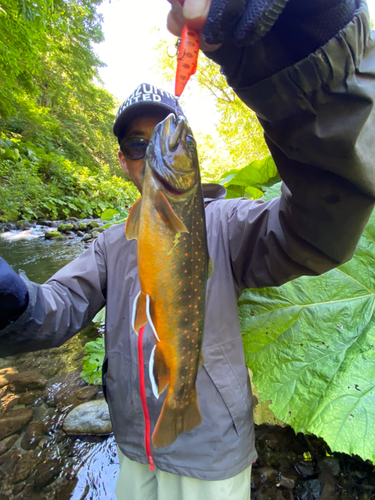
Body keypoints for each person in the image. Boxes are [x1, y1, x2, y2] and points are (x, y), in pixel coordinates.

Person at [1, 0, 375, 498]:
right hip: (135, 448)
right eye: (138, 143)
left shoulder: (224, 222)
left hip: (213, 456)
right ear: (124, 160)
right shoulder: (111, 244)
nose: (153, 147)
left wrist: (304, 65)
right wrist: (10, 295)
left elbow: (313, 233)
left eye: (168, 135)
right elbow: (57, 309)